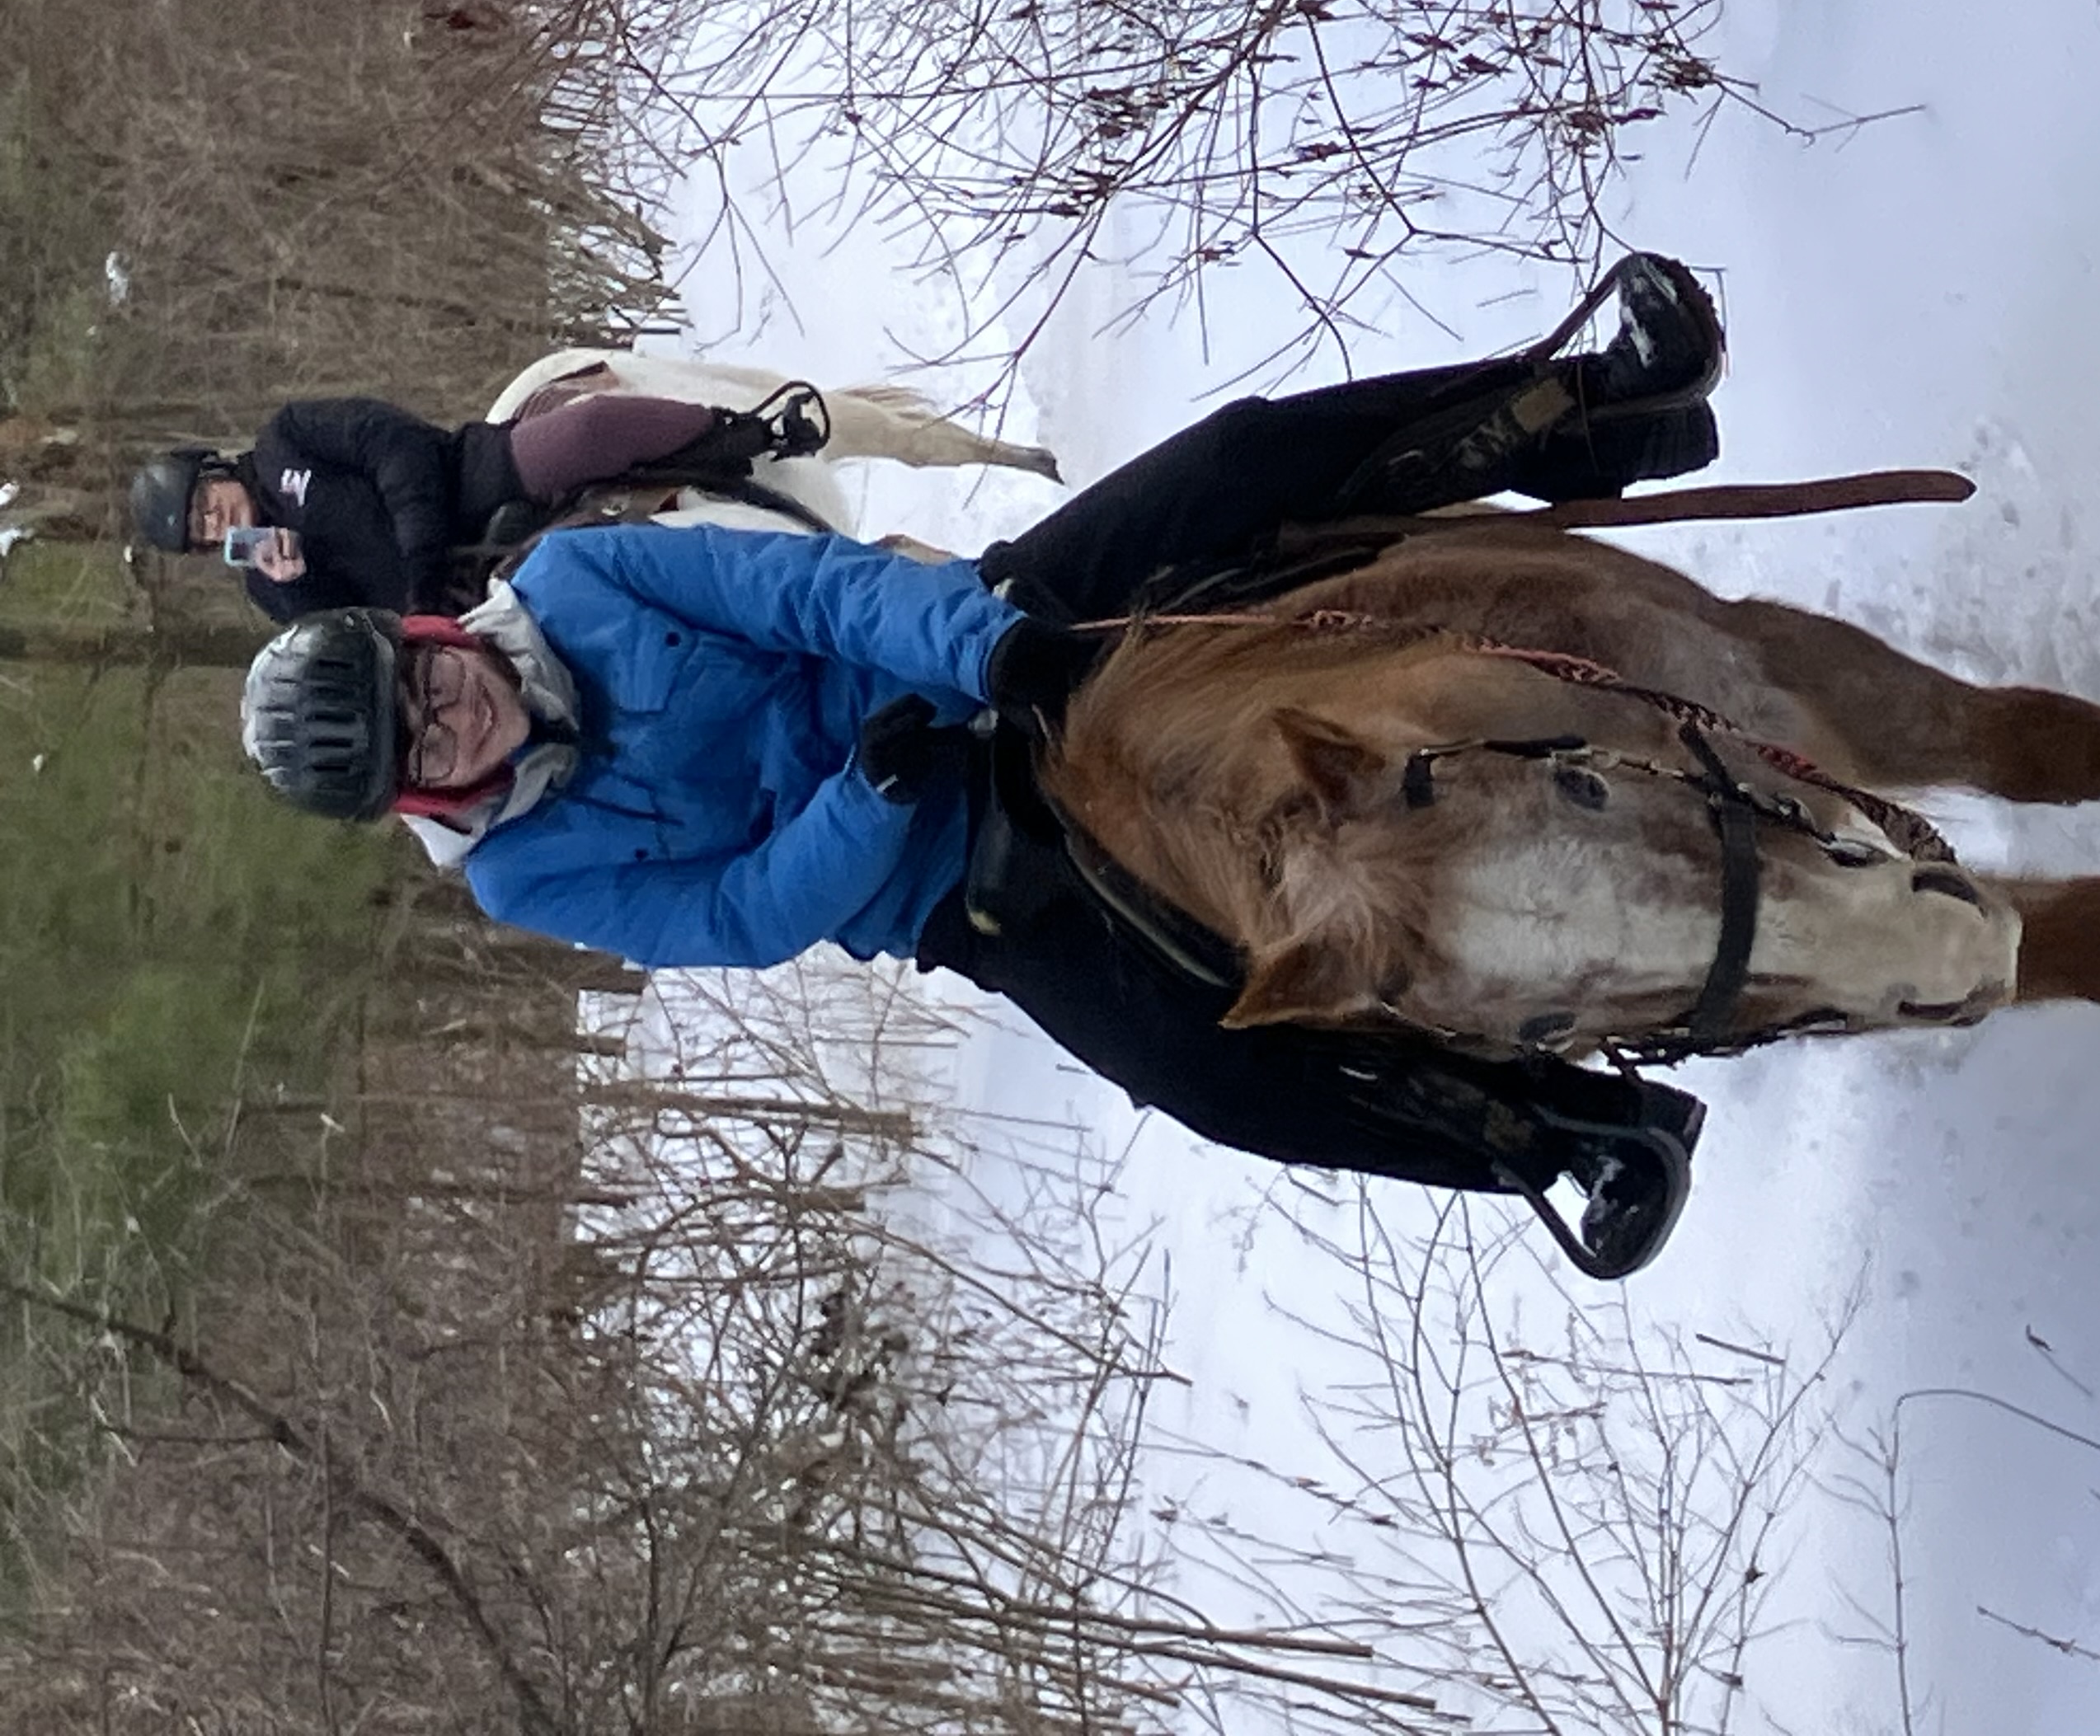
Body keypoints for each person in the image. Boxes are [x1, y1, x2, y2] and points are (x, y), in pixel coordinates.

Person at [234, 258, 1728, 1271]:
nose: (451, 714)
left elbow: (805, 596)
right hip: (954, 874)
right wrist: (872, 794)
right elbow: (739, 913)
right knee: (1198, 1071)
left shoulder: (572, 583)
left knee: (1231, 462)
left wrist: (984, 653)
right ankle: (1561, 1131)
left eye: (422, 679)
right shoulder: (520, 870)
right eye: (421, 747)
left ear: (426, 630)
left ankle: (1590, 403)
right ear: (418, 797)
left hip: (980, 650)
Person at [130, 384, 831, 622]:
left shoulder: (286, 439)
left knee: (585, 429)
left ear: (215, 469)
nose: (211, 523)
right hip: (457, 614)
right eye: (198, 533)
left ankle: (746, 429)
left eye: (203, 503)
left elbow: (394, 445)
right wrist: (302, 583)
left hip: (475, 485)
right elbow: (351, 640)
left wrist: (421, 560)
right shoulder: (269, 588)